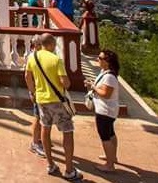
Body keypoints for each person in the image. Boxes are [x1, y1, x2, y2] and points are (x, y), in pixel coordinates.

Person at [25, 33, 81, 181]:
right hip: (57, 101)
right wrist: (66, 82)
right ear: (50, 44)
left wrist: (32, 92)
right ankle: (69, 170)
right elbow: (65, 83)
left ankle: (50, 164)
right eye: (54, 44)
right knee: (67, 132)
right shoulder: (56, 59)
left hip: (41, 100)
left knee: (45, 130)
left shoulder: (32, 57)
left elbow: (27, 77)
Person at [85, 49, 121, 172]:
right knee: (110, 134)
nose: (97, 60)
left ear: (107, 61)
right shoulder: (105, 73)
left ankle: (109, 165)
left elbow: (106, 94)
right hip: (108, 110)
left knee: (105, 136)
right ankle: (112, 156)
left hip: (105, 111)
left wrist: (93, 87)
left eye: (100, 58)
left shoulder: (110, 77)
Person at [24, 36, 45, 157]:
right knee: (37, 117)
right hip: (38, 91)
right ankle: (35, 143)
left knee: (42, 118)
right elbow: (28, 76)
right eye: (40, 44)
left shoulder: (43, 56)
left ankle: (39, 139)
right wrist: (32, 92)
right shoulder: (32, 57)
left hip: (43, 91)